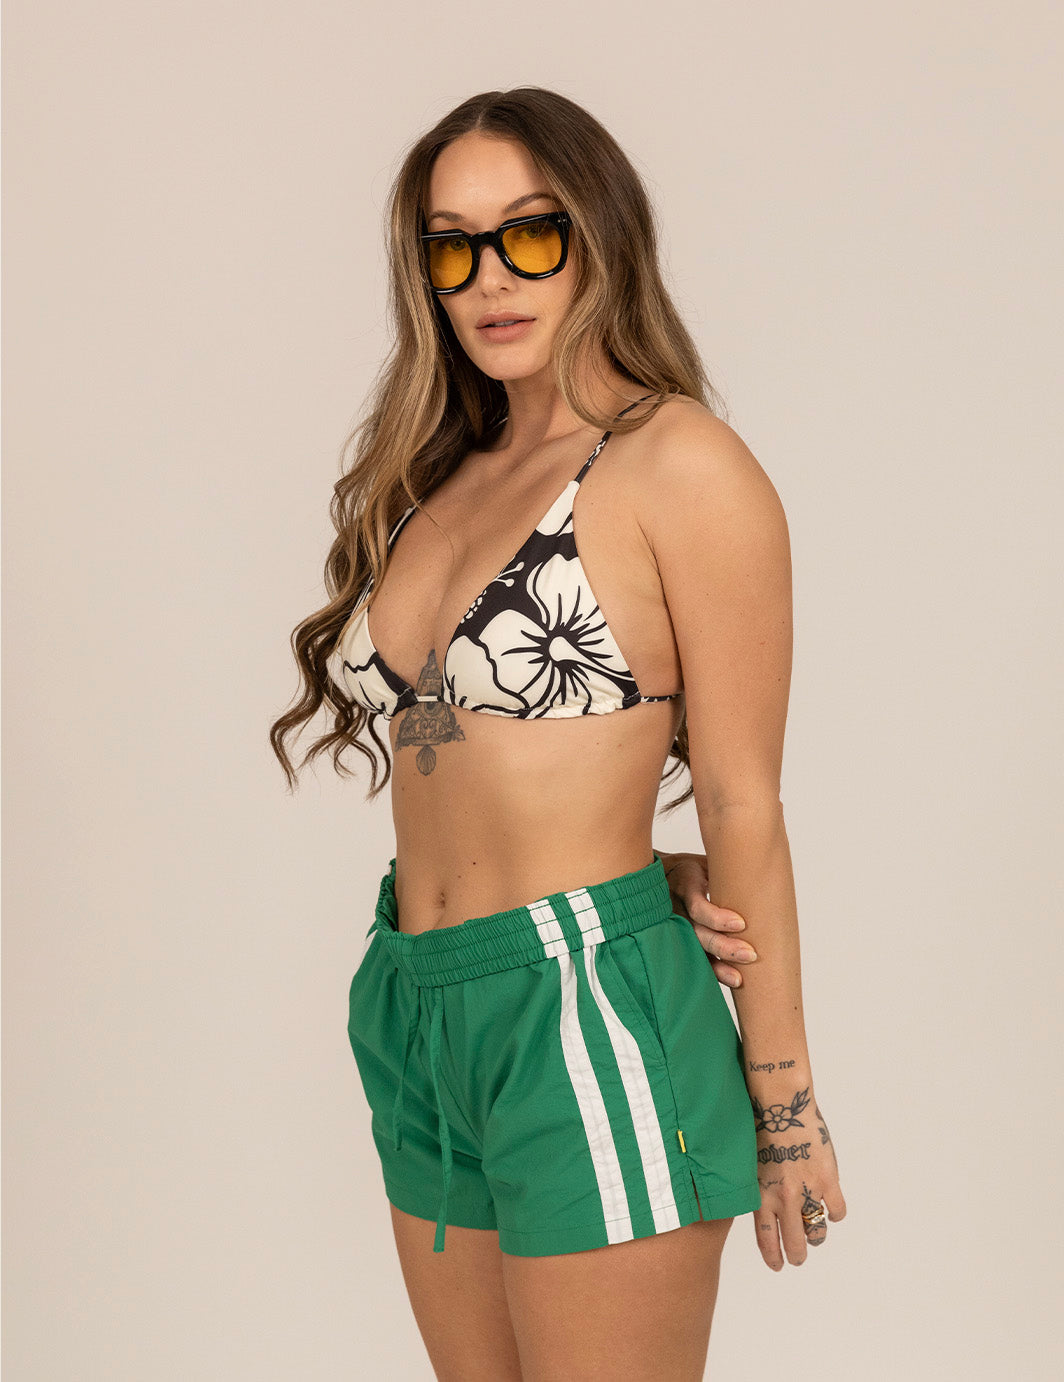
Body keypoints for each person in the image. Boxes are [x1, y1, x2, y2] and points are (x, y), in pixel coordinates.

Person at [271, 86, 846, 1381]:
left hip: (584, 1003)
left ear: (601, 236)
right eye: (452, 246)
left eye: (530, 234)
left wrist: (786, 1104)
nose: (491, 278)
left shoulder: (676, 464)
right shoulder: (441, 473)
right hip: (417, 999)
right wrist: (646, 873)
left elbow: (743, 800)